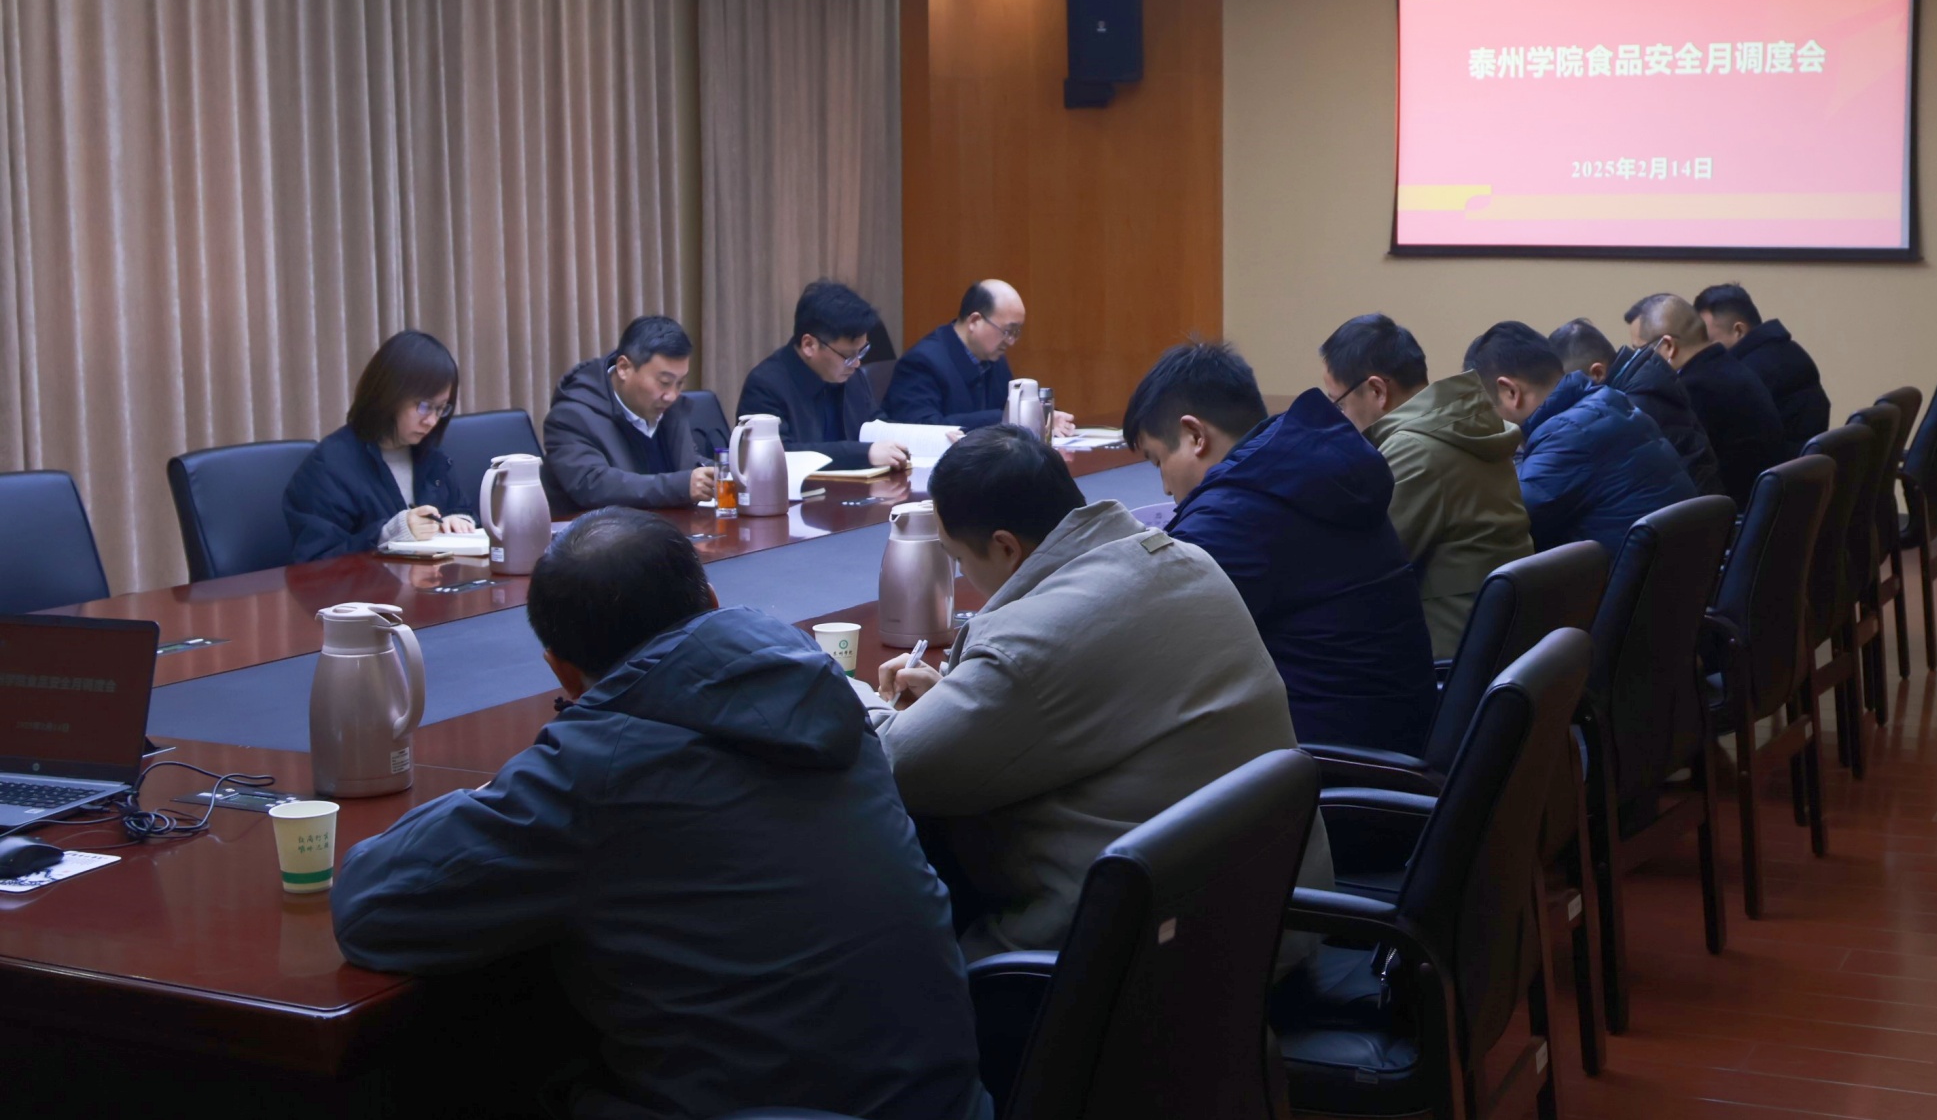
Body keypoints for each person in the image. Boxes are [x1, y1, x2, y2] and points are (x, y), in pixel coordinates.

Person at [333, 509, 987, 1120]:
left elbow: (369, 905)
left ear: (562, 672)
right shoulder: (818, 683)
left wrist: (503, 790)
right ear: (711, 602)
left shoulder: (596, 769)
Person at [872, 425, 1335, 963]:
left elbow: (893, 767)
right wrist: (957, 697)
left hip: (1133, 963)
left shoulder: (1031, 641)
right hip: (1269, 924)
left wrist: (859, 698)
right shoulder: (1184, 559)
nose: (963, 577)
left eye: (958, 560)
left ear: (1005, 547)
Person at [1121, 341, 1435, 750]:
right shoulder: (1302, 469)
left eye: (1158, 461)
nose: (1164, 486)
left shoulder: (1238, 511)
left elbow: (1141, 647)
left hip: (1326, 764)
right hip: (1386, 737)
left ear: (1195, 435)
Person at [1321, 314, 1535, 661]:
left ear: (1376, 390)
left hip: (1442, 660)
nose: (1339, 418)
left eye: (1339, 404)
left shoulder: (1415, 449)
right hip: (1494, 646)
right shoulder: (1466, 424)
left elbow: (1356, 574)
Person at [1464, 322, 1696, 557]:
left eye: (1487, 410)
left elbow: (1498, 526)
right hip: (1676, 570)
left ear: (1511, 392)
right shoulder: (1608, 401)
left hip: (1631, 578)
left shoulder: (1568, 435)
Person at [283, 330, 478, 562]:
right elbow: (315, 562)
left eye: (441, 408)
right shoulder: (329, 467)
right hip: (371, 585)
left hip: (431, 582)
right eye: (424, 406)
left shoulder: (431, 455)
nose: (432, 421)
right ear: (389, 396)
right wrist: (387, 534)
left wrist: (459, 522)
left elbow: (460, 508)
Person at [541, 315, 725, 517]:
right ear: (624, 368)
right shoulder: (571, 417)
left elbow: (685, 462)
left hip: (668, 529)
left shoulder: (665, 407)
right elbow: (594, 485)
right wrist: (681, 486)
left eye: (680, 383)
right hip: (600, 533)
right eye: (664, 382)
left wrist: (723, 473)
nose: (672, 395)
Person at [1624, 293, 1786, 507]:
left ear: (1668, 346)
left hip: (1731, 512)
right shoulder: (1730, 367)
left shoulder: (1691, 391)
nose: (1636, 361)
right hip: (1757, 507)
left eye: (1639, 350)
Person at [737, 280, 910, 471]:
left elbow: (875, 424)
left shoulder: (852, 376)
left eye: (861, 352)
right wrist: (864, 453)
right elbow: (776, 455)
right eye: (848, 355)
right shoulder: (765, 385)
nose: (857, 363)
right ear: (809, 345)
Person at [1550, 317, 1726, 498]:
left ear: (1597, 373)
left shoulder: (1629, 408)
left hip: (1688, 511)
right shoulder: (1646, 379)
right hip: (1698, 506)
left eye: (1566, 386)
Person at [884, 279, 1075, 434]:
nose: (1011, 342)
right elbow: (922, 428)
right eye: (1007, 331)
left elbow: (1008, 407)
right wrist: (1008, 418)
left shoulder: (993, 357)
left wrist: (1042, 417)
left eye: (1016, 332)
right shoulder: (922, 362)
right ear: (975, 320)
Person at [1694, 283, 1831, 457]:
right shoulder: (1791, 350)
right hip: (1804, 466)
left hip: (1776, 468)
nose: (1703, 349)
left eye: (1708, 340)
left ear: (1738, 330)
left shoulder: (1743, 375)